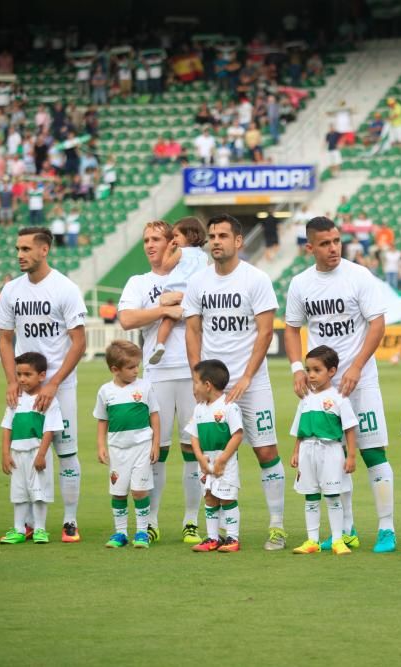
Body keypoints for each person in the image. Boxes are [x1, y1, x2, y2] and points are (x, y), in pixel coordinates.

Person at [284, 216, 396, 553]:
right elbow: (291, 327)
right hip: (325, 388)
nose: (334, 248)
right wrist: (296, 369)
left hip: (361, 383)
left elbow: (377, 324)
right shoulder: (301, 284)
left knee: (373, 452)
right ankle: (344, 530)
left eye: (336, 241)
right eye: (325, 243)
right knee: (333, 454)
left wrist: (357, 366)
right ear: (310, 247)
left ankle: (387, 529)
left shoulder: (359, 276)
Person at [184, 214, 287, 550]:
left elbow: (266, 331)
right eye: (211, 236)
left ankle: (276, 525)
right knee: (214, 452)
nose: (215, 241)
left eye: (223, 235)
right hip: (213, 389)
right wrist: (197, 378)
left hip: (251, 383)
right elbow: (193, 330)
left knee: (266, 450)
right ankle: (218, 532)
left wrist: (246, 377)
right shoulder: (199, 282)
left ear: (238, 241)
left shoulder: (255, 279)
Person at [0, 227, 87, 543]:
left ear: (44, 250)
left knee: (66, 451)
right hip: (25, 389)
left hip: (60, 387)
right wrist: (12, 381)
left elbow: (79, 342)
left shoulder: (65, 288)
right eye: (17, 249)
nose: (20, 255)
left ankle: (70, 521)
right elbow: (5, 339)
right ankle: (31, 523)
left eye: (26, 249)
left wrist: (54, 383)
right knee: (26, 453)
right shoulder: (11, 291)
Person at [117, 221, 197, 543]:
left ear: (171, 243)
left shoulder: (194, 275)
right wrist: (167, 310)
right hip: (156, 374)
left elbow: (200, 310)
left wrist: (178, 307)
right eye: (146, 240)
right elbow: (127, 319)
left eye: (156, 239)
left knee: (193, 449)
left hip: (193, 371)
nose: (150, 245)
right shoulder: (139, 281)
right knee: (156, 452)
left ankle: (191, 520)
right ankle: (150, 521)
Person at [289, 346, 358, 555]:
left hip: (331, 451)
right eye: (308, 370)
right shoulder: (305, 399)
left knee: (332, 495)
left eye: (317, 370)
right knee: (310, 495)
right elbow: (300, 429)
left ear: (332, 371)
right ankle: (312, 540)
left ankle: (338, 539)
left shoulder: (339, 398)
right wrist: (296, 451)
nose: (311, 375)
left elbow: (349, 428)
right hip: (308, 451)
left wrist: (352, 456)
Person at [94, 340, 160, 549]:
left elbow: (154, 416)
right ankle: (120, 533)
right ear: (115, 369)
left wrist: (155, 444)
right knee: (118, 492)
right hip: (117, 450)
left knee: (139, 491)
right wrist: (101, 445)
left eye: (137, 366)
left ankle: (142, 532)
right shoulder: (105, 391)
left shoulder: (145, 386)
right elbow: (102, 420)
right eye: (130, 367)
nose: (135, 371)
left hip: (142, 447)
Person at [0, 352, 63, 544]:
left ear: (41, 376)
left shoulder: (47, 401)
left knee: (39, 492)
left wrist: (42, 454)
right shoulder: (14, 400)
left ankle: (40, 529)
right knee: (19, 493)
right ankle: (19, 529)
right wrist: (5, 453)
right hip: (17, 454)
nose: (22, 379)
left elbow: (49, 430)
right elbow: (7, 427)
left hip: (37, 454)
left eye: (27, 374)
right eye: (19, 374)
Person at [186, 359, 244, 553]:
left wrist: (223, 459)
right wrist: (200, 458)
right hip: (205, 462)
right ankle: (212, 538)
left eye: (195, 382)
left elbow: (237, 435)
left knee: (227, 498)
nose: (193, 387)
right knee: (209, 497)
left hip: (224, 462)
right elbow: (193, 436)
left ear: (207, 385)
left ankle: (232, 538)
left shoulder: (229, 407)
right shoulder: (199, 409)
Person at [147, 217, 208, 365]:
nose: (174, 239)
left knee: (168, 320)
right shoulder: (204, 256)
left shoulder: (181, 251)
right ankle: (199, 351)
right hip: (193, 295)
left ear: (188, 235)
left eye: (176, 236)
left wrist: (169, 250)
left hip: (174, 291)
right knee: (195, 326)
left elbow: (166, 266)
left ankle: (159, 344)